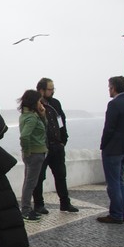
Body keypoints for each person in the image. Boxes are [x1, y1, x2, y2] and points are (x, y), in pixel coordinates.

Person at [32, 78, 79, 214]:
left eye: (53, 89)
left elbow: (61, 121)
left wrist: (64, 140)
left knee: (60, 175)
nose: (52, 92)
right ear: (41, 90)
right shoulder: (34, 104)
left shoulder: (55, 103)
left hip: (57, 146)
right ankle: (38, 204)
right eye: (50, 89)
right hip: (42, 147)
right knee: (39, 177)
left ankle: (65, 203)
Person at [97, 76, 124, 224]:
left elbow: (109, 128)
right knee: (120, 181)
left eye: (109, 87)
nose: (109, 90)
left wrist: (103, 145)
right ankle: (123, 212)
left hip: (113, 148)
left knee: (113, 183)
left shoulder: (114, 104)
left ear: (113, 88)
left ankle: (116, 214)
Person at [18, 90, 48, 222]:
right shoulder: (31, 117)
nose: (41, 103)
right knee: (30, 183)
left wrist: (42, 115)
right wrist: (27, 151)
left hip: (33, 154)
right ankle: (25, 211)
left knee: (28, 182)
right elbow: (24, 136)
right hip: (35, 154)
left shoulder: (26, 115)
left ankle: (26, 209)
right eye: (39, 101)